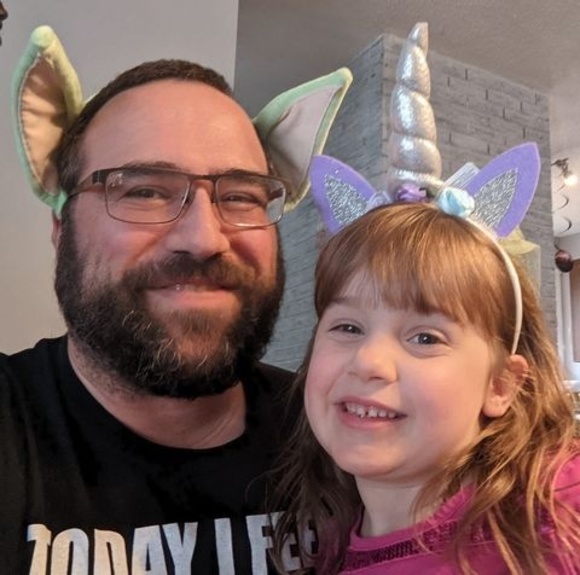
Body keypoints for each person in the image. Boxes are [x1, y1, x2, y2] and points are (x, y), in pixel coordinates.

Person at [3, 26, 351, 573]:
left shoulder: (344, 434)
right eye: (143, 190)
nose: (204, 239)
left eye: (241, 195)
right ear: (61, 230)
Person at [270, 199, 580, 574]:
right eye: (348, 328)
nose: (368, 361)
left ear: (499, 385)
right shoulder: (327, 544)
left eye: (425, 338)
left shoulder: (557, 516)